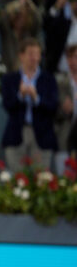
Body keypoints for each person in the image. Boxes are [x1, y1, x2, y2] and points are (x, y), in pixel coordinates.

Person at [1, 39, 58, 171]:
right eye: (30, 53)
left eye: (37, 54)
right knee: (17, 179)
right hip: (16, 135)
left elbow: (53, 106)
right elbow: (7, 105)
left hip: (42, 136)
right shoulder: (10, 79)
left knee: (41, 179)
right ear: (21, 55)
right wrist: (20, 96)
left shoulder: (48, 79)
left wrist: (36, 98)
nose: (34, 58)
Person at [55, 44, 77, 173]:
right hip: (65, 135)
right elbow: (54, 110)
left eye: (76, 57)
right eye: (70, 57)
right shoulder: (60, 82)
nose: (73, 61)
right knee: (64, 175)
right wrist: (64, 109)